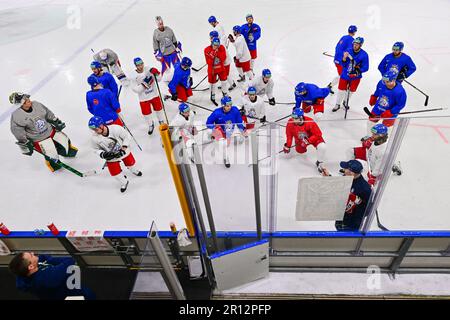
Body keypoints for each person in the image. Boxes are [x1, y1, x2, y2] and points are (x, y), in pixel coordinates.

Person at [9, 92, 78, 172]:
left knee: (64, 141)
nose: (29, 100)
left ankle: (68, 152)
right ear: (21, 104)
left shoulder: (36, 104)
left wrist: (55, 120)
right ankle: (55, 167)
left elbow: (47, 112)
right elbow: (17, 130)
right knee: (51, 153)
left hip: (50, 131)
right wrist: (24, 141)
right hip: (39, 139)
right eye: (25, 100)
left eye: (27, 98)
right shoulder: (17, 115)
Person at [8, 252, 95, 300]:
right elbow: (69, 261)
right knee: (88, 294)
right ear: (31, 267)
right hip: (72, 293)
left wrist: (39, 260)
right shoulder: (48, 277)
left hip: (50, 296)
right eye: (32, 255)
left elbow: (42, 257)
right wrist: (50, 260)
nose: (33, 253)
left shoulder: (22, 275)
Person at [88, 116, 142, 193]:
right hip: (111, 157)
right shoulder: (94, 138)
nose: (95, 131)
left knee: (130, 163)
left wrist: (124, 147)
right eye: (93, 129)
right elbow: (94, 149)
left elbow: (127, 136)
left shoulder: (115, 128)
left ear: (101, 125)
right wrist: (103, 154)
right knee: (115, 173)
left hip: (124, 151)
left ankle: (134, 170)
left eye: (96, 129)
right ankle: (124, 182)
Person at [322, 160, 372, 231]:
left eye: (345, 169)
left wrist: (357, 202)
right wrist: (328, 177)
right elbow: (339, 186)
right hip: (341, 218)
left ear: (352, 173)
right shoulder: (348, 178)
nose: (343, 170)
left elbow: (367, 210)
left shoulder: (364, 189)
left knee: (345, 241)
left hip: (351, 225)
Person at [206, 96, 247, 168]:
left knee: (226, 144)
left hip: (229, 132)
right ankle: (226, 158)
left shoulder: (235, 110)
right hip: (219, 132)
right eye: (227, 106)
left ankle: (215, 139)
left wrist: (242, 129)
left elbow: (239, 121)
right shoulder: (217, 112)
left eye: (230, 105)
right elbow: (208, 123)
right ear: (223, 105)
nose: (230, 107)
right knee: (223, 145)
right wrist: (214, 128)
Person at [283, 108, 327, 174]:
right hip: (300, 140)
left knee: (322, 146)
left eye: (295, 118)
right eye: (292, 117)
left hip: (313, 138)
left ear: (301, 117)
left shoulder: (310, 121)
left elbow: (318, 134)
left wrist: (308, 141)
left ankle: (319, 162)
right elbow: (289, 135)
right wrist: (288, 146)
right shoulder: (290, 123)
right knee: (300, 151)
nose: (293, 120)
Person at [332, 37, 369, 112]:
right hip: (345, 74)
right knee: (341, 90)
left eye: (357, 44)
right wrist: (344, 58)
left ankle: (345, 102)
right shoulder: (348, 51)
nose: (355, 46)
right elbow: (342, 64)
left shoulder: (364, 55)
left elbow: (366, 67)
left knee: (351, 91)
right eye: (354, 44)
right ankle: (337, 104)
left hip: (356, 77)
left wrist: (357, 72)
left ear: (360, 45)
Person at [130, 57, 165, 135]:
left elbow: (159, 79)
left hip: (154, 94)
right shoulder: (133, 75)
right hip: (143, 98)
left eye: (141, 64)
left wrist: (157, 73)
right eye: (138, 65)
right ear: (135, 66)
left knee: (159, 109)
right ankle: (150, 124)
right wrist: (145, 84)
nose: (140, 66)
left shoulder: (149, 69)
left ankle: (161, 120)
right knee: (146, 113)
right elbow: (136, 89)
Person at [329, 25, 357, 90]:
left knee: (342, 75)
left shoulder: (343, 37)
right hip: (341, 62)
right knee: (343, 76)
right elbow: (350, 51)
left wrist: (338, 56)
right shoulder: (352, 40)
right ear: (354, 32)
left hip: (336, 60)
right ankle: (330, 86)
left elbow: (337, 47)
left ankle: (330, 86)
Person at [204, 37, 228, 104]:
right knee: (212, 84)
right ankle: (213, 96)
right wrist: (212, 56)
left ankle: (225, 94)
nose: (216, 46)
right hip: (212, 70)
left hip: (221, 69)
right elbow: (208, 62)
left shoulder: (222, 48)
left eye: (217, 45)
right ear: (212, 43)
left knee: (224, 82)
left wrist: (217, 53)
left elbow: (223, 58)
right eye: (214, 44)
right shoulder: (207, 49)